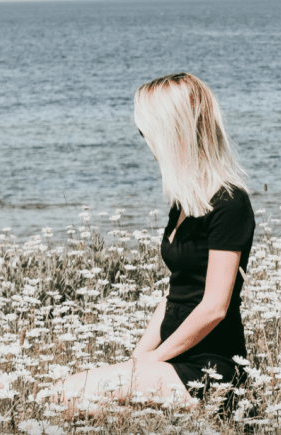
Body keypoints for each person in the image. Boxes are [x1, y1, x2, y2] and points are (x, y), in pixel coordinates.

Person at [54, 72, 256, 419]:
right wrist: (136, 360)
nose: (145, 140)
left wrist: (152, 360)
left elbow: (214, 308)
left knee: (68, 395)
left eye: (146, 131)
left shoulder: (229, 203)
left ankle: (225, 415)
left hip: (210, 370)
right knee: (68, 398)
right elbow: (174, 295)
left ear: (171, 132)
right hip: (174, 358)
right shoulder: (185, 203)